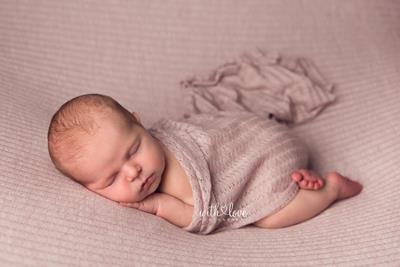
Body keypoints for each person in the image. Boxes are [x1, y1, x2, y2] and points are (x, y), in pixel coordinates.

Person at [47, 93, 362, 231]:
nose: (133, 172)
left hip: (263, 154)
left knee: (268, 219)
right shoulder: (148, 146)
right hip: (264, 133)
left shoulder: (178, 180)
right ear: (91, 189)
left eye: (133, 150)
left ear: (138, 121)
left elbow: (210, 215)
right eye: (111, 179)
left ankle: (328, 189)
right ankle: (299, 178)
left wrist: (158, 206)